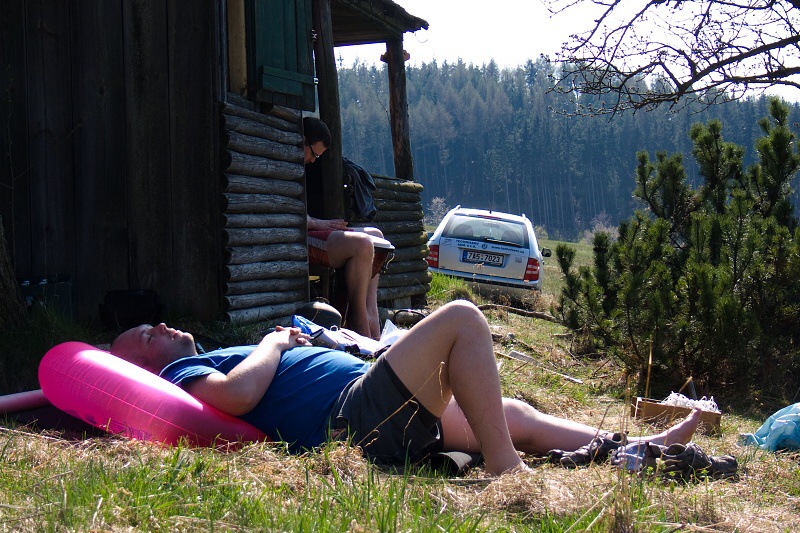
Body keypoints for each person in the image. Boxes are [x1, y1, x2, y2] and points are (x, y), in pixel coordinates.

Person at [110, 300, 701, 476]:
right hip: (354, 417)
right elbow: (237, 396)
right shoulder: (179, 375)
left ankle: (632, 448)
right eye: (146, 334)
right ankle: (508, 472)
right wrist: (274, 342)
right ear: (142, 365)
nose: (159, 326)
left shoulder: (203, 354)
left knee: (509, 412)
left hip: (369, 408)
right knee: (463, 319)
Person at [303, 116, 383, 339]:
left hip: (313, 228)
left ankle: (371, 316)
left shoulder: (303, 167)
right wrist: (319, 223)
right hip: (299, 238)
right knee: (362, 245)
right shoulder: (286, 167)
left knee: (376, 236)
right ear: (302, 140)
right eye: (313, 154)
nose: (313, 161)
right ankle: (358, 322)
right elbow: (292, 215)